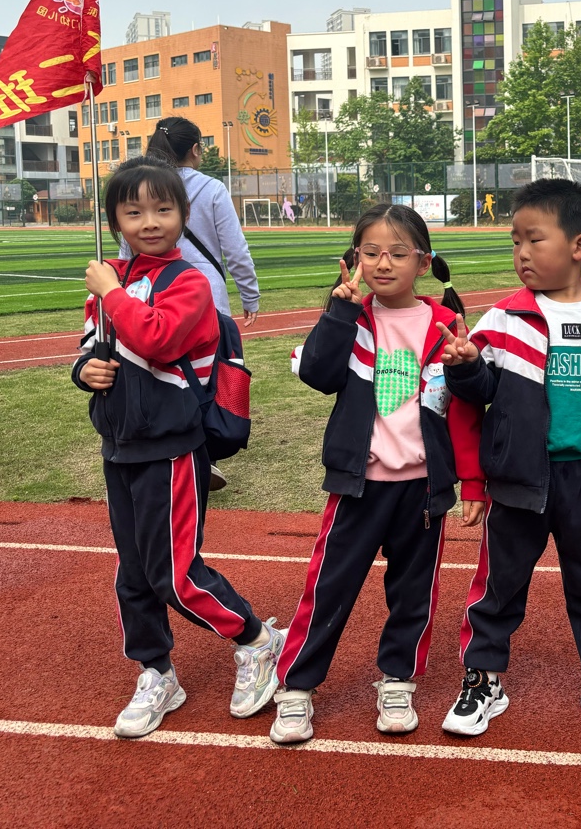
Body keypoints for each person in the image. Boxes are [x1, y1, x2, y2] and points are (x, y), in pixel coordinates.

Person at [72, 156, 283, 740]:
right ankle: (157, 672)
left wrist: (112, 292)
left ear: (183, 216)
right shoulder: (110, 281)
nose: (149, 222)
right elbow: (91, 346)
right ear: (114, 219)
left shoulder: (187, 282)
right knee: (134, 573)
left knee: (175, 574)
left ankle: (256, 639)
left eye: (163, 209)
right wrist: (85, 370)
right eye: (133, 211)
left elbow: (157, 340)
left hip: (172, 447)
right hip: (120, 443)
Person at [435, 179, 581, 739]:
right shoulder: (504, 318)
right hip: (519, 480)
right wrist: (464, 366)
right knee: (499, 583)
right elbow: (478, 392)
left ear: (579, 246)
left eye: (534, 239)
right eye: (516, 242)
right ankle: (483, 676)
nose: (522, 253)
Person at [269, 205, 481, 744]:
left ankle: (397, 681)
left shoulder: (444, 323)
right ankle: (296, 686)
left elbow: (473, 404)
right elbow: (317, 373)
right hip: (358, 486)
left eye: (398, 253)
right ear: (355, 259)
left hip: (421, 490)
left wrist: (470, 367)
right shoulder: (352, 319)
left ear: (423, 262)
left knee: (413, 595)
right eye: (371, 253)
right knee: (328, 588)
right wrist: (339, 312)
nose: (383, 263)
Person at [140, 117, 260, 328]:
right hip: (207, 294)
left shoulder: (141, 188)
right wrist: (249, 296)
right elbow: (236, 250)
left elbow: (128, 253)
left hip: (152, 294)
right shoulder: (213, 189)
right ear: (195, 149)